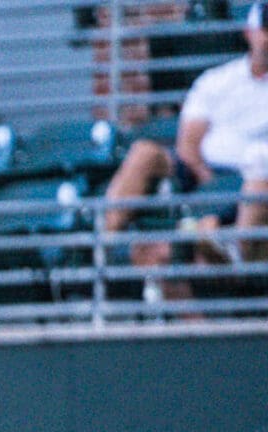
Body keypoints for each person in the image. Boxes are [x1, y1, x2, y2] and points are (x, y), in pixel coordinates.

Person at [103, 4, 268, 281]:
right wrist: (210, 187)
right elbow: (188, 145)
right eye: (265, 29)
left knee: (260, 169)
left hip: (257, 184)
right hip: (203, 176)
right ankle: (102, 246)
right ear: (248, 32)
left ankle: (237, 253)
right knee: (144, 153)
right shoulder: (217, 80)